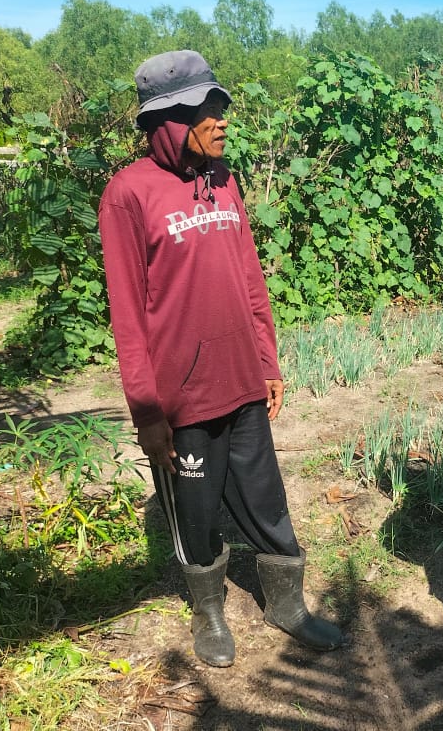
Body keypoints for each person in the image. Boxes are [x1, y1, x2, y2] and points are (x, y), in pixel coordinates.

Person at [98, 50, 345, 667]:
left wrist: (268, 360)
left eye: (219, 107)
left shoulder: (224, 179)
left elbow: (249, 277)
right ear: (168, 122)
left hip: (240, 380)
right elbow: (127, 316)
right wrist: (146, 410)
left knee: (266, 497)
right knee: (198, 510)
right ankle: (208, 613)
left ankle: (288, 604)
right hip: (181, 400)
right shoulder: (128, 195)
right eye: (204, 110)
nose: (220, 120)